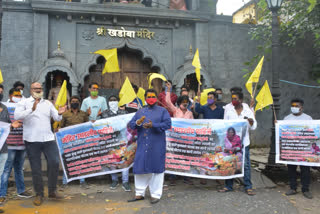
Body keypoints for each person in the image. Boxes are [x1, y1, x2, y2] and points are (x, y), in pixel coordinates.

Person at [14, 82, 67, 206]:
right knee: (36, 168)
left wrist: (60, 112)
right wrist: (31, 109)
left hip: (48, 138)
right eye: (35, 88)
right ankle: (39, 193)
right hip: (32, 140)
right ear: (31, 90)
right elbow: (17, 116)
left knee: (54, 162)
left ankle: (52, 191)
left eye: (40, 88)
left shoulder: (47, 103)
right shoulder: (24, 103)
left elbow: (57, 118)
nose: (38, 90)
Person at [127, 89, 171, 204]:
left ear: (156, 98)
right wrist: (137, 123)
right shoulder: (140, 112)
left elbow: (167, 124)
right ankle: (139, 193)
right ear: (145, 98)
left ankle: (155, 194)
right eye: (148, 96)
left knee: (157, 169)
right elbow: (131, 125)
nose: (150, 98)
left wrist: (154, 125)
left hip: (157, 144)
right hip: (142, 144)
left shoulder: (163, 111)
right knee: (140, 167)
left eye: (153, 96)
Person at [219, 91, 257, 195]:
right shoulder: (229, 110)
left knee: (245, 165)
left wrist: (251, 122)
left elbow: (253, 127)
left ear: (241, 100)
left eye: (235, 99)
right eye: (232, 99)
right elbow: (224, 124)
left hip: (244, 143)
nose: (233, 101)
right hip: (230, 144)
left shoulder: (247, 111)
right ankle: (228, 186)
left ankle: (248, 186)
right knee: (230, 163)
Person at [0, 89, 32, 204]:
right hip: (9, 143)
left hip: (21, 143)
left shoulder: (24, 106)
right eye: (15, 95)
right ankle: (2, 194)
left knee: (19, 168)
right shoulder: (4, 107)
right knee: (6, 169)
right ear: (10, 95)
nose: (18, 97)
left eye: (20, 95)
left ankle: (21, 191)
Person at [283, 98, 313, 199]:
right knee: (291, 169)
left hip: (304, 149)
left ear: (301, 107)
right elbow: (283, 133)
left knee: (305, 169)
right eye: (293, 106)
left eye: (297, 106)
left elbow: (312, 133)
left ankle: (305, 189)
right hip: (291, 149)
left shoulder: (308, 119)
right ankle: (293, 188)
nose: (294, 108)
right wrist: (278, 125)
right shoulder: (287, 119)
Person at [101, 95, 131, 192]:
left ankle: (125, 181)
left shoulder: (124, 112)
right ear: (108, 102)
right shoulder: (104, 113)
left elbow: (128, 124)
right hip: (111, 140)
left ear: (118, 102)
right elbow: (102, 125)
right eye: (111, 100)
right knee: (112, 161)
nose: (113, 102)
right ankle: (114, 180)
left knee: (124, 161)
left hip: (122, 140)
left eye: (115, 100)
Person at [165, 82, 193, 185]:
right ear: (180, 102)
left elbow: (193, 126)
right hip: (176, 139)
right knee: (174, 157)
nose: (185, 103)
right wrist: (168, 90)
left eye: (187, 102)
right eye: (183, 101)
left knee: (186, 157)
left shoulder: (190, 113)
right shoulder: (175, 111)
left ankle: (187, 177)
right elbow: (167, 102)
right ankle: (173, 177)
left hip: (186, 140)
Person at [60, 96, 89, 189]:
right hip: (69, 142)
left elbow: (87, 126)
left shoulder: (84, 114)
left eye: (76, 101)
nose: (75, 102)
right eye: (73, 101)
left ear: (79, 103)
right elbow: (61, 127)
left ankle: (82, 181)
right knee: (68, 160)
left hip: (81, 141)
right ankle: (65, 182)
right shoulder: (65, 114)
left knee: (81, 160)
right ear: (70, 103)